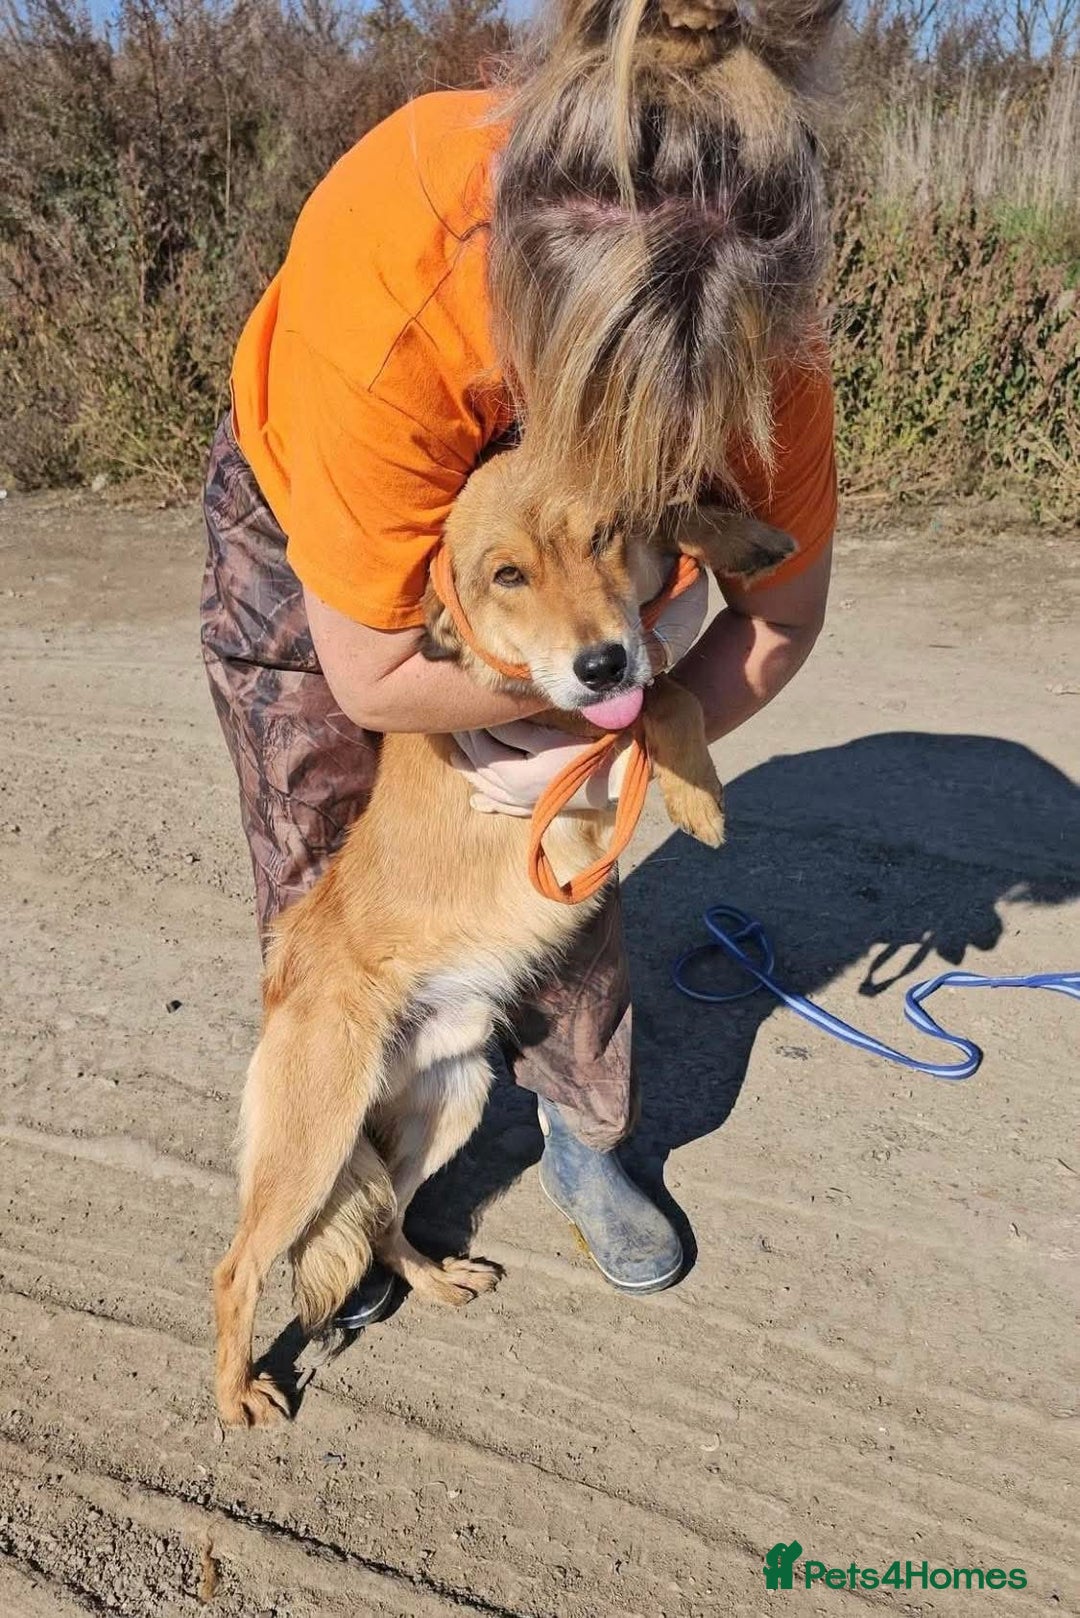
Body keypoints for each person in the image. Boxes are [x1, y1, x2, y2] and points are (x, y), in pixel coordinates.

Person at [201, 3, 838, 1317]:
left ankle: (582, 1133)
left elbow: (779, 615)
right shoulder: (400, 283)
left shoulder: (767, 335)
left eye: (667, 429)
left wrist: (625, 731)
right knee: (330, 871)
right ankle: (336, 1192)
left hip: (560, 560)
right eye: (602, 400)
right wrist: (580, 699)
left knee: (567, 862)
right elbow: (373, 670)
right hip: (328, 504)